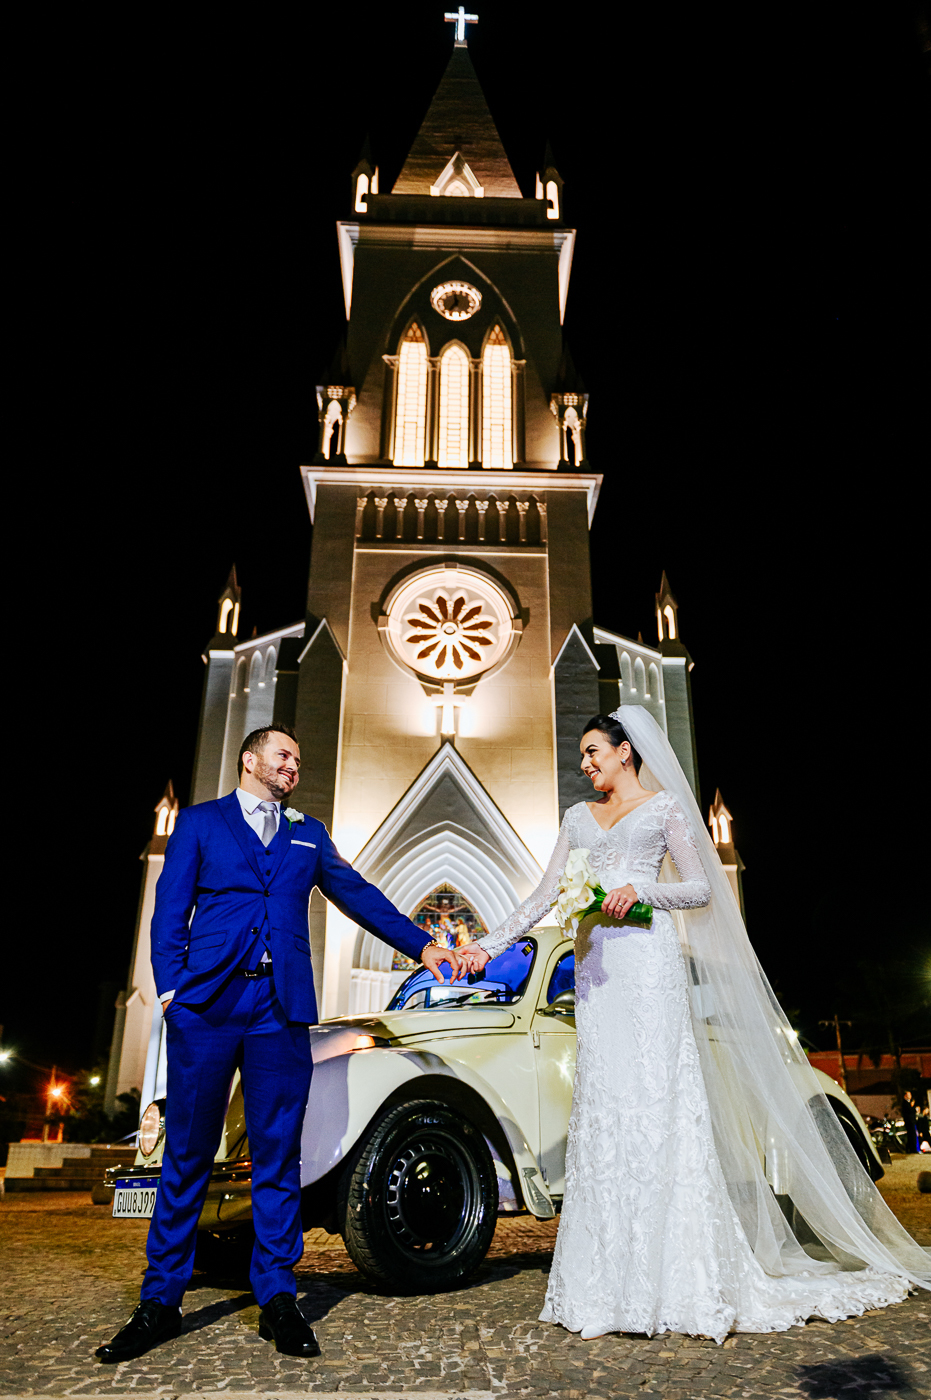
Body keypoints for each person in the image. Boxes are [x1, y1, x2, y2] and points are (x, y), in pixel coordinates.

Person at [459, 707, 931, 1343]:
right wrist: (486, 946)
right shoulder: (577, 819)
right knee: (607, 1109)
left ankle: (675, 1278)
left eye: (593, 750)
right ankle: (606, 1285)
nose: (585, 763)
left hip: (647, 968)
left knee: (657, 1104)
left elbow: (702, 889)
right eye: (582, 754)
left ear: (625, 751)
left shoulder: (662, 811)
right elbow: (544, 894)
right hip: (598, 974)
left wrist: (641, 892)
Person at [96, 724, 460, 1364]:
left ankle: (277, 1296)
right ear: (250, 760)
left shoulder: (308, 833)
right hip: (207, 1006)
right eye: (284, 754)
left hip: (281, 1008)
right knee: (187, 1154)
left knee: (277, 1154)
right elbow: (169, 911)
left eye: (298, 758)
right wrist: (173, 992)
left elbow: (359, 896)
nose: (294, 765)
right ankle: (160, 1301)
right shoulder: (201, 824)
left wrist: (423, 946)